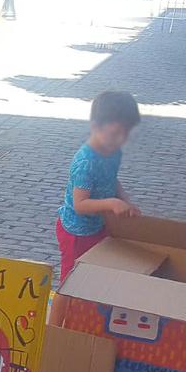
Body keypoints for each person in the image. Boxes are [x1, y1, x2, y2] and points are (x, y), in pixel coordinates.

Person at [56, 90, 142, 282]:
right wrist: (111, 203)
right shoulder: (86, 163)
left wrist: (125, 200)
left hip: (99, 225)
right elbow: (80, 204)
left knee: (93, 273)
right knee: (70, 280)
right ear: (95, 126)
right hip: (76, 231)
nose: (121, 140)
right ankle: (60, 312)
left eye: (126, 133)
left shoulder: (113, 151)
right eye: (115, 134)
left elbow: (112, 179)